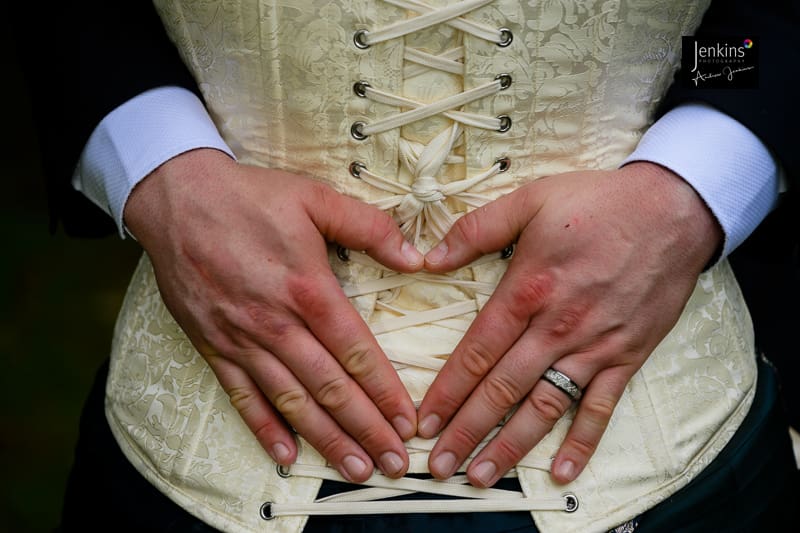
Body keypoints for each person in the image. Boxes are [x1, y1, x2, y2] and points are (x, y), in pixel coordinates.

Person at [13, 0, 799, 531]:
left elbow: (757, 21)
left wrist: (693, 183)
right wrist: (159, 168)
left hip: (673, 470)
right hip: (188, 470)